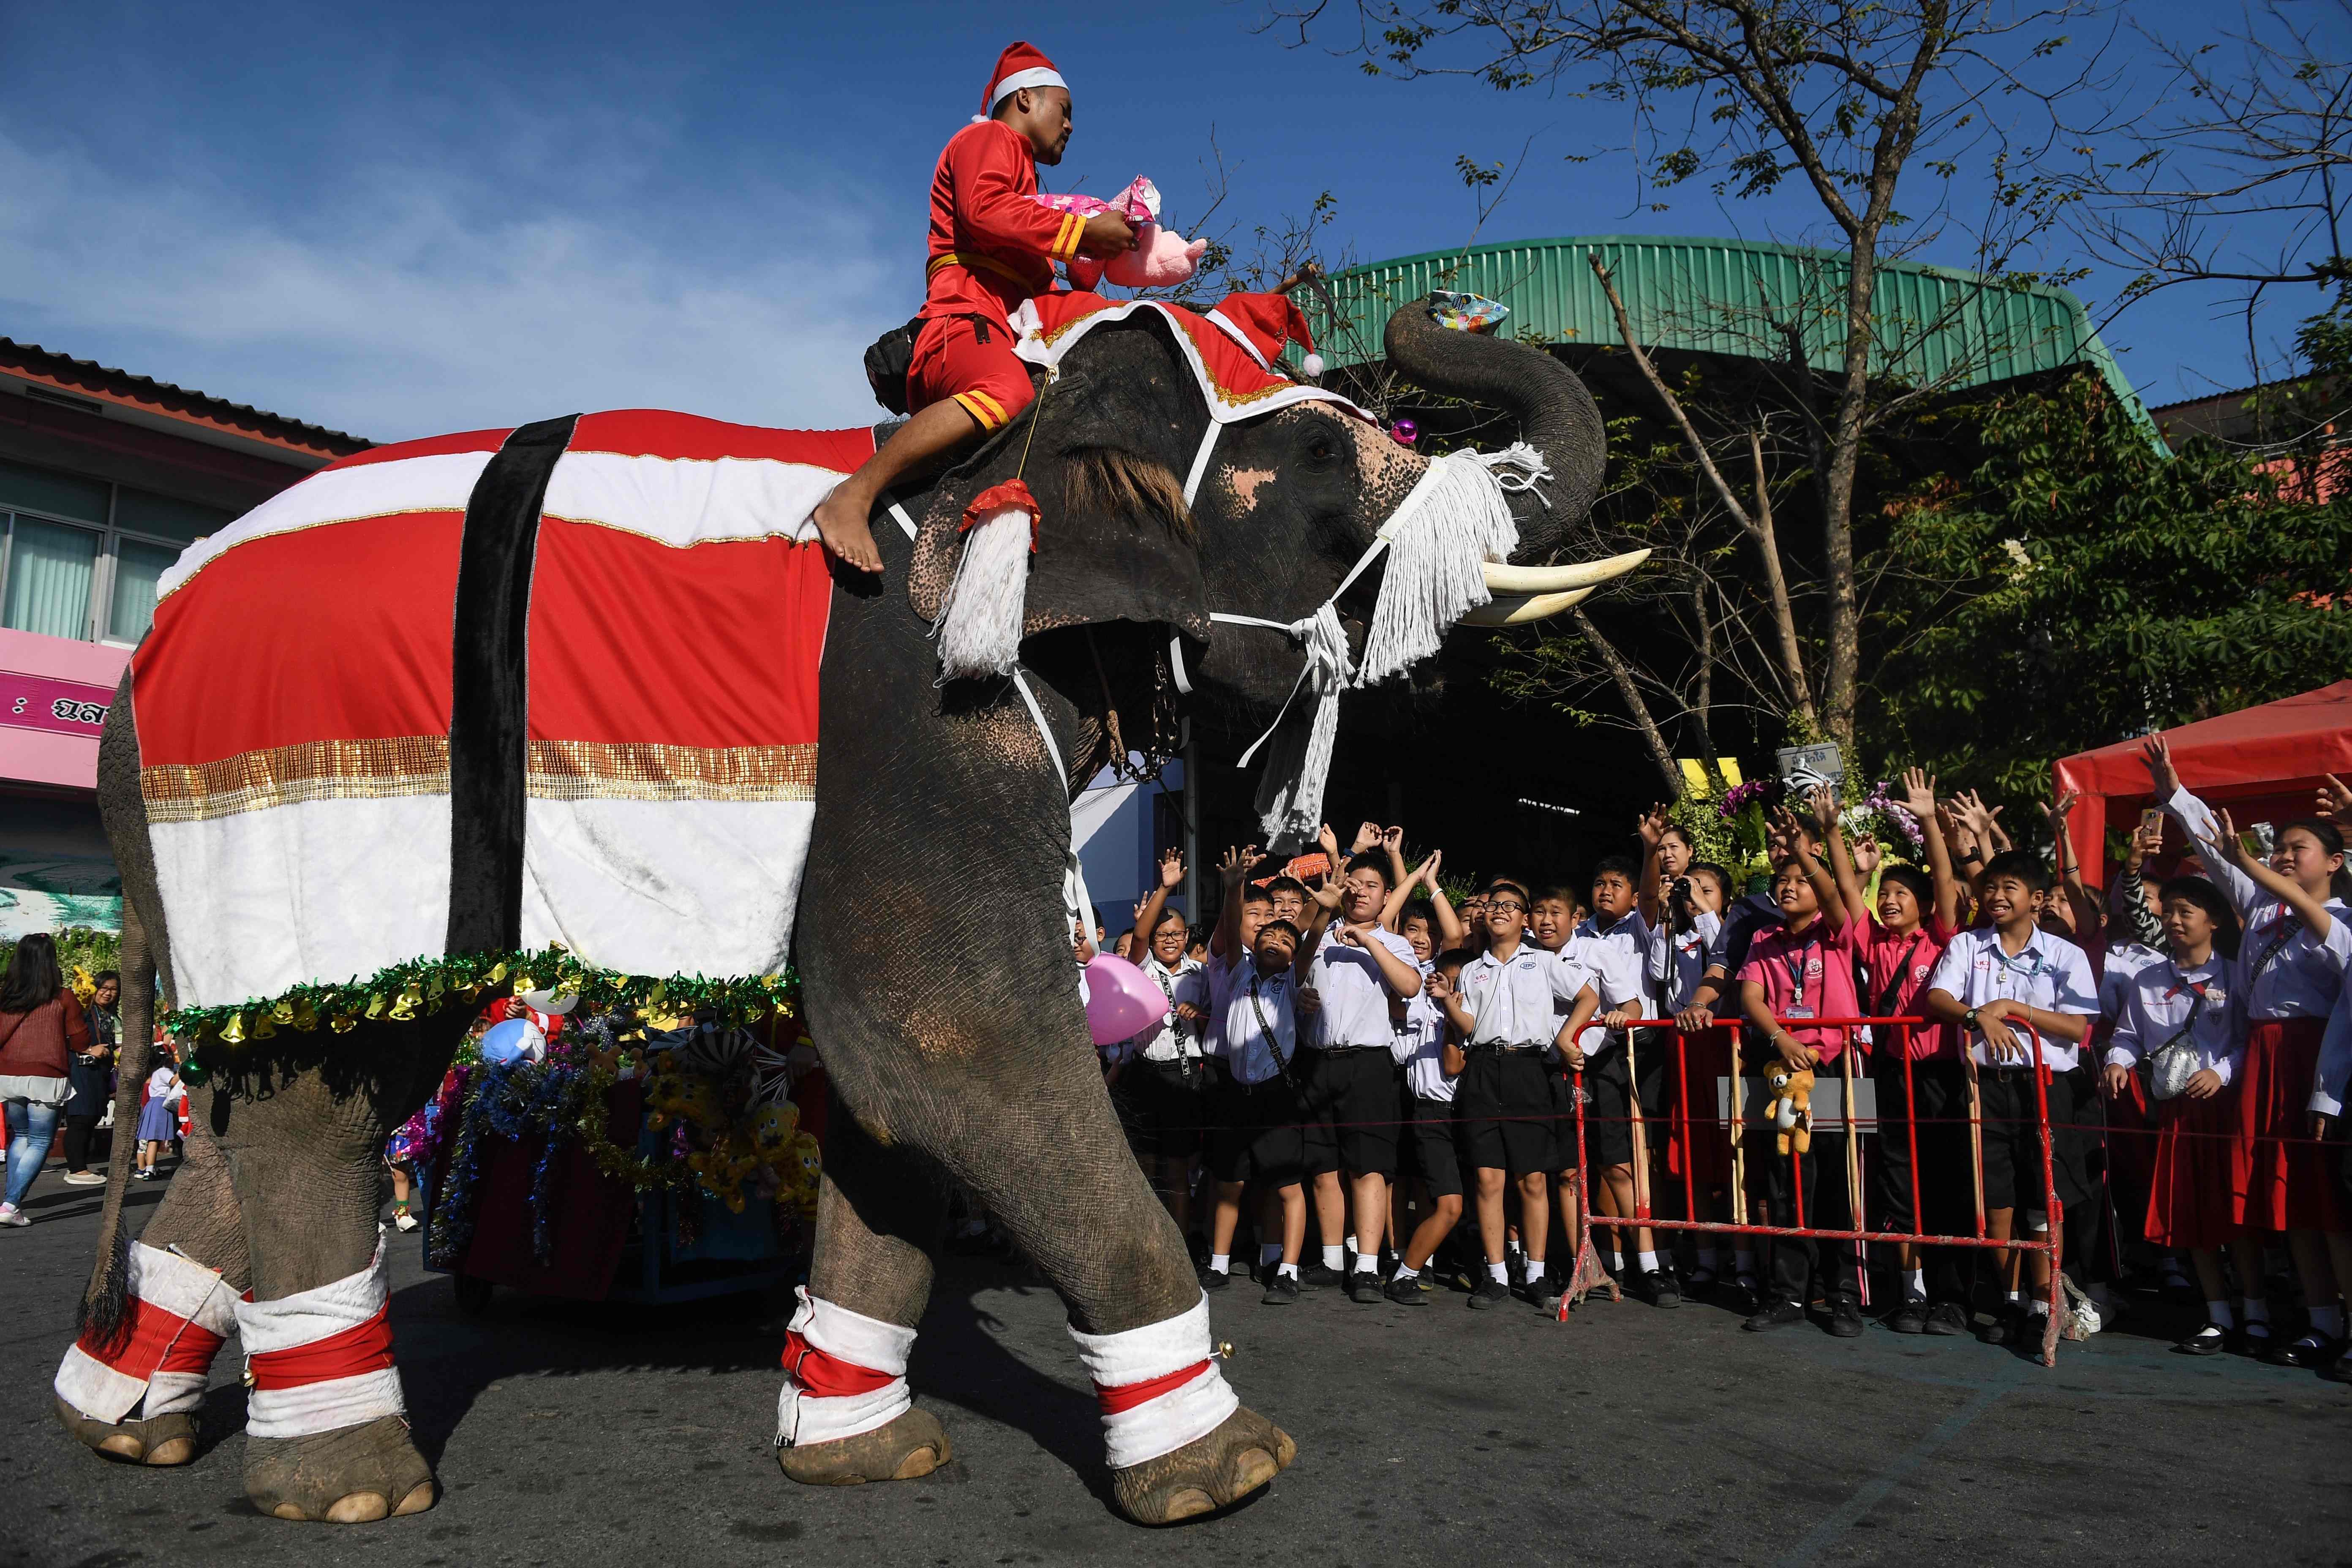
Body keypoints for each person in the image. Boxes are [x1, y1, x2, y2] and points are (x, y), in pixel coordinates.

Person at [808, 41, 1136, 573]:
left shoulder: (1027, 180)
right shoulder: (989, 137)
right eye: (1066, 109)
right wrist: (1079, 230)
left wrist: (1094, 258)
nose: (1072, 125)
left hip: (997, 331)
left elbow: (1038, 279)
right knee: (1006, 391)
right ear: (1025, 97)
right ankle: (854, 494)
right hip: (962, 325)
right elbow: (984, 212)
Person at [2155, 759, 2352, 1370]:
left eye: (2300, 848)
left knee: (2331, 1205)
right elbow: (2219, 858)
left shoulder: (2344, 918)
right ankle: (2319, 1323)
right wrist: (2175, 795)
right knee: (2288, 1198)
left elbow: (2249, 870)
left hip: (2319, 1058)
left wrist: (2256, 865)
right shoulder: (2263, 909)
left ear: (2337, 863)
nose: (2286, 857)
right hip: (2264, 1058)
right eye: (2282, 850)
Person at [1922, 850, 2101, 1347]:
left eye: (2010, 888)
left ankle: (2048, 1302)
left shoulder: (2066, 955)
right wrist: (1979, 1017)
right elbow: (1938, 998)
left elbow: (2078, 1027)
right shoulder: (1967, 944)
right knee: (1995, 1198)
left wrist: (2014, 1009)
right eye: (1991, 887)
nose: (1996, 897)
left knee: (2045, 1198)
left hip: (2045, 1086)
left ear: (2037, 899)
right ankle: (2014, 1299)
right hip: (1984, 1086)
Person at [1821, 771, 1965, 1333]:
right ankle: (1909, 1294)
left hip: (1942, 1074)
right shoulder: (1872, 938)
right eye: (1887, 893)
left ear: (1926, 905)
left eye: (1903, 893)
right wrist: (1833, 832)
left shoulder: (1943, 937)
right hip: (1889, 1073)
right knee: (1897, 1185)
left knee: (1947, 1182)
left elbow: (1949, 885)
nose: (1891, 900)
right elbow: (1846, 891)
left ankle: (1951, 1298)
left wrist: (1930, 822)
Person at [2100, 876, 2252, 1355]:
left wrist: (2223, 1073)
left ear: (2215, 921)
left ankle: (2259, 1313)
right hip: (2176, 1112)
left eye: (2186, 911)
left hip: (2226, 1111)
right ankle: (2218, 1316)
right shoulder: (2149, 978)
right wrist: (2117, 1062)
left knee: (2236, 1213)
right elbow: (2127, 1034)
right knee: (2192, 1213)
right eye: (2169, 911)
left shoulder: (2235, 975)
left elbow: (2250, 1040)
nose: (2174, 920)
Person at [1736, 818, 1868, 1337]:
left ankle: (1842, 1295)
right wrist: (1782, 1039)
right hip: (1781, 1069)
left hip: (1835, 1069)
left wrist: (1805, 852)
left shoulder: (1836, 931)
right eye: (1782, 881)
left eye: (1800, 880)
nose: (1789, 887)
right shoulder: (1763, 936)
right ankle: (1788, 1294)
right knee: (1787, 1180)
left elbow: (1837, 897)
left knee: (1839, 1182)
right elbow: (1750, 997)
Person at [1436, 883, 1592, 1310]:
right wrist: (1448, 1004)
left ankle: (1537, 1274)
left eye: (1510, 906)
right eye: (1492, 906)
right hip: (1483, 1070)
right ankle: (1497, 1274)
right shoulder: (1471, 969)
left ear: (1525, 919)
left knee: (1533, 1178)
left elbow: (1588, 996)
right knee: (1488, 1179)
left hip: (1530, 1070)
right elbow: (1469, 1028)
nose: (1499, 911)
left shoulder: (1543, 961)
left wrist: (1565, 1036)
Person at [1296, 845, 1424, 1303]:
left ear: (1385, 894)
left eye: (1371, 886)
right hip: (1318, 1062)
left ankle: (1368, 1266)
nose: (1360, 892)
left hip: (1369, 1063)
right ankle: (1333, 1260)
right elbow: (1298, 966)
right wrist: (1324, 917)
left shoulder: (1394, 942)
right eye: (1354, 885)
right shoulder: (1323, 934)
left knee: (1369, 1165)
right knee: (1323, 1164)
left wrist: (1369, 940)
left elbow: (1410, 986)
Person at [1200, 847, 1310, 1307]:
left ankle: (1287, 1270)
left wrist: (1322, 905)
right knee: (1229, 1180)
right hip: (1234, 1093)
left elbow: (1313, 933)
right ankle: (1219, 1263)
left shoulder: (1293, 983)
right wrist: (1233, 888)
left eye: (1287, 942)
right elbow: (1230, 926)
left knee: (1287, 1185)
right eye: (1269, 934)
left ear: (1293, 959)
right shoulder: (1235, 971)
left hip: (1275, 1097)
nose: (1277, 941)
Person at [1559, 858, 1666, 1303]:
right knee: (1577, 1167)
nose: (1606, 890)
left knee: (1626, 1163)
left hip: (1625, 1053)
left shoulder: (1638, 925)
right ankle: (1597, 1261)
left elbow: (1633, 1002)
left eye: (1615, 884)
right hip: (1569, 1060)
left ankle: (1651, 1264)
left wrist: (1650, 848)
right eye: (1599, 883)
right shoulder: (1568, 939)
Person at [1118, 850, 1211, 1238]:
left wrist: (1200, 1013)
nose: (1169, 941)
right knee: (1145, 1163)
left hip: (1184, 1074)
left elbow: (1217, 1020)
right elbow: (1137, 936)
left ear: (1187, 937)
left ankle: (1183, 1242)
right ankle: (1146, 1240)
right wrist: (1166, 886)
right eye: (1162, 935)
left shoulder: (1201, 974)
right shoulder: (1141, 968)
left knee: (1178, 1166)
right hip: (1145, 1073)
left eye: (1176, 934)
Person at [1388, 900, 1467, 1305]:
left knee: (1465, 1199)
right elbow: (1445, 1065)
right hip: (1429, 1112)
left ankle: (1487, 1268)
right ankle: (1405, 1272)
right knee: (1447, 1204)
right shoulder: (1427, 1007)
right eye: (1442, 980)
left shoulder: (1469, 1014)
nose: (1446, 987)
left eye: (1456, 984)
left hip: (1464, 1116)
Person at [0, 934, 92, 1225]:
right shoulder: (63, 996)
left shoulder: (6, 994)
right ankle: (11, 1204)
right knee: (40, 1140)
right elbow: (80, 1042)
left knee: (21, 1136)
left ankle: (9, 1201)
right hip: (46, 1076)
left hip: (9, 1074)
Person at [61, 969, 118, 1186]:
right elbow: (64, 1036)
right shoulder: (83, 1011)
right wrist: (88, 1050)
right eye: (104, 988)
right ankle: (76, 1169)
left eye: (114, 989)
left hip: (100, 1073)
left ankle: (80, 1166)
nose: (108, 993)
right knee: (81, 1117)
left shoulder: (111, 1016)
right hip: (82, 1070)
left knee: (92, 1116)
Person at [134, 1049, 183, 1181]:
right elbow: (173, 1081)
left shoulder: (155, 1073)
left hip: (153, 1104)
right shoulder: (163, 1071)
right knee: (155, 1139)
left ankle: (149, 1169)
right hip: (161, 1104)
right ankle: (149, 1170)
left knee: (153, 1139)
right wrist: (183, 1069)